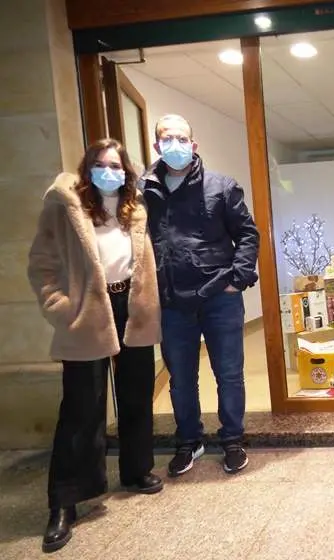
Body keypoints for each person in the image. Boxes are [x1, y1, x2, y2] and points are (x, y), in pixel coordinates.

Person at [28, 139, 163, 553]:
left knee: (137, 395)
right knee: (81, 408)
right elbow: (41, 264)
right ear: (88, 168)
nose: (111, 172)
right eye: (102, 165)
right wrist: (60, 307)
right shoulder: (64, 205)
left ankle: (136, 470)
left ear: (127, 171)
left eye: (117, 166)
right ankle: (65, 502)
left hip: (131, 305)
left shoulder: (133, 208)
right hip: (87, 309)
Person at [140, 114, 259, 477]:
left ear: (193, 145)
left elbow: (248, 235)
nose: (173, 144)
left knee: (229, 373)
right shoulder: (145, 192)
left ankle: (233, 440)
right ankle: (188, 441)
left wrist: (236, 280)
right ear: (157, 145)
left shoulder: (222, 186)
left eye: (181, 137)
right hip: (172, 301)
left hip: (219, 297)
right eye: (166, 137)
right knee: (180, 378)